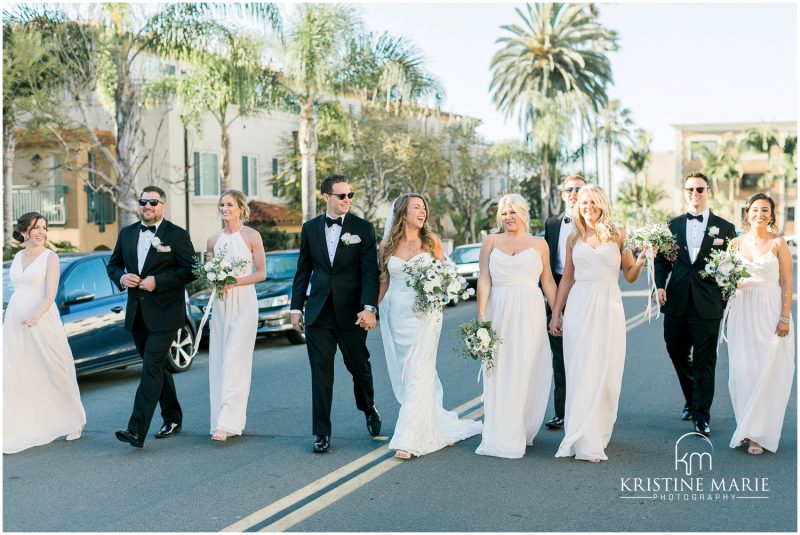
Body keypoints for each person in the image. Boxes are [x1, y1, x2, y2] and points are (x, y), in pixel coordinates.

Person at [378, 194, 482, 459]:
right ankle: (428, 420)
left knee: (419, 369)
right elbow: (384, 281)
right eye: (416, 207)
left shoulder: (432, 242)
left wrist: (440, 290)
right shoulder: (388, 244)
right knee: (406, 371)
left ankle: (409, 438)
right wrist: (370, 310)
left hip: (426, 315)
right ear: (403, 212)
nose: (422, 211)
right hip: (396, 315)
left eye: (424, 207)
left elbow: (444, 275)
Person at [548, 185, 647, 463]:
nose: (588, 207)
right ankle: (584, 439)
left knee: (606, 371)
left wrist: (639, 261)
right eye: (583, 202)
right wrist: (557, 313)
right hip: (579, 305)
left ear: (602, 204)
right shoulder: (573, 237)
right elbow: (567, 278)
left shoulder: (618, 235)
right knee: (581, 370)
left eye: (592, 202)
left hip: (609, 307)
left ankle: (598, 430)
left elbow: (628, 275)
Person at [290, 174, 381, 453]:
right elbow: (303, 270)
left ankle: (368, 408)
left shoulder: (362, 228)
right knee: (320, 373)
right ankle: (321, 433)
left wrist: (368, 308)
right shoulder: (310, 228)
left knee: (359, 368)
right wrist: (295, 307)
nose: (347, 200)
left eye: (350, 195)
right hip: (319, 313)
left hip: (352, 313)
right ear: (326, 197)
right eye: (341, 195)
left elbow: (370, 272)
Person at [107, 185, 196, 448]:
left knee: (150, 369)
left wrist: (158, 281)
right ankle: (173, 417)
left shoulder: (177, 235)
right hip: (138, 315)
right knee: (157, 368)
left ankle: (136, 430)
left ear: (163, 206)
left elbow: (190, 271)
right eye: (144, 202)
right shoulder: (127, 233)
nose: (147, 206)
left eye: (153, 202)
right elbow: (113, 265)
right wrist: (122, 277)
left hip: (166, 315)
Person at [654, 171, 736, 437]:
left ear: (708, 191)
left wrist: (726, 294)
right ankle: (692, 397)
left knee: (704, 360)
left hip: (708, 304)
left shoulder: (724, 228)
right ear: (684, 192)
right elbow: (662, 261)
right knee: (676, 351)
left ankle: (701, 415)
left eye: (700, 189)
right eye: (690, 189)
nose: (695, 194)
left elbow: (733, 266)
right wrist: (660, 285)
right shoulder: (672, 225)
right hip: (677, 301)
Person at [475, 194, 557, 459]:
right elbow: (484, 279)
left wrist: (557, 313)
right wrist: (481, 316)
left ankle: (521, 425)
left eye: (512, 212)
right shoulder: (491, 241)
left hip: (530, 311)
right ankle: (503, 432)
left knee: (525, 369)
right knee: (499, 369)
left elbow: (547, 282)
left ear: (523, 213)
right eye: (504, 213)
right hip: (498, 310)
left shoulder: (539, 243)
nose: (508, 217)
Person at [3, 213, 86, 454]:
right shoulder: (18, 257)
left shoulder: (51, 257)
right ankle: (17, 422)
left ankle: (74, 420)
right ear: (24, 232)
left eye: (44, 228)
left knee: (55, 369)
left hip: (42, 319)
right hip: (15, 323)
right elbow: (15, 291)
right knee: (15, 370)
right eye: (36, 227)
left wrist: (36, 316)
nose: (41, 232)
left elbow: (50, 294)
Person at [725, 193, 794, 455]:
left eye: (765, 210)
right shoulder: (734, 244)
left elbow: (786, 282)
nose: (760, 214)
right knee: (743, 373)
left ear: (772, 215)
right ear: (747, 213)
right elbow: (726, 278)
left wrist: (784, 317)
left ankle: (759, 435)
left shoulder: (779, 244)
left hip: (769, 310)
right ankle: (745, 427)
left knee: (767, 371)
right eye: (755, 209)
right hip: (742, 311)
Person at [206, 190, 266, 442]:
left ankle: (228, 421)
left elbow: (261, 273)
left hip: (244, 302)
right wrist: (216, 281)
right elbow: (209, 276)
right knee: (220, 360)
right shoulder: (212, 240)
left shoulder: (252, 236)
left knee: (234, 359)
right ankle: (221, 419)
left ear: (241, 208)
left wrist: (234, 281)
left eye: (229, 204)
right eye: (221, 204)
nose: (224, 208)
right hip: (222, 304)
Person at [542, 174, 587, 431]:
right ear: (562, 194)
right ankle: (561, 413)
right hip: (555, 292)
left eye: (578, 189)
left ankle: (584, 410)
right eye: (569, 189)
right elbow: (545, 262)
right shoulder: (551, 223)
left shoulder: (594, 223)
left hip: (584, 290)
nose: (573, 193)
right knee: (559, 357)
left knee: (583, 355)